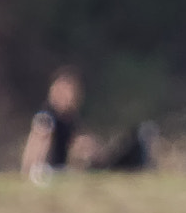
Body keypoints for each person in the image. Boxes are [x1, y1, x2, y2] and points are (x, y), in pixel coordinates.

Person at [20, 67, 155, 182]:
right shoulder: (47, 117)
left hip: (63, 170)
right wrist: (31, 173)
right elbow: (36, 147)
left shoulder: (70, 119)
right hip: (53, 172)